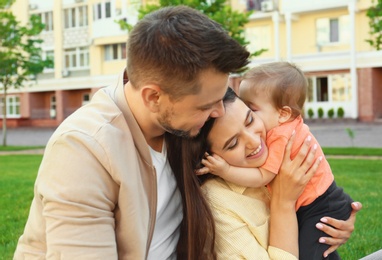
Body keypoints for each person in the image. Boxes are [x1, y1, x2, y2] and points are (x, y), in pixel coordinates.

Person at [14, 6, 251, 259]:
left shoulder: (179, 123)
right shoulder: (83, 150)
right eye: (205, 106)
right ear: (153, 97)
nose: (219, 112)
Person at [167, 87, 362, 259]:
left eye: (250, 119)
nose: (254, 141)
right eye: (233, 144)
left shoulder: (277, 154)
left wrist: (334, 225)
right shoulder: (218, 203)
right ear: (208, 158)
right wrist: (283, 203)